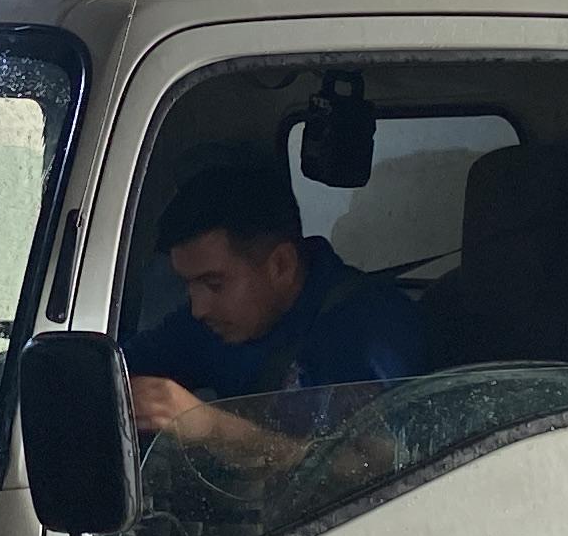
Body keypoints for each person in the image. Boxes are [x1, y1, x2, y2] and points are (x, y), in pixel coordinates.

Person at [123, 160, 427, 469]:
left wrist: (214, 428)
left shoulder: (370, 332)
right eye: (188, 285)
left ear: (280, 265)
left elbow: (375, 472)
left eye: (214, 284)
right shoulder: (208, 324)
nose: (199, 308)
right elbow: (120, 369)